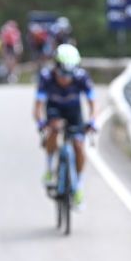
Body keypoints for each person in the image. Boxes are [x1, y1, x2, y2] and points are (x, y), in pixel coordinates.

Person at [33, 43, 98, 207]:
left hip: (73, 111)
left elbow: (93, 104)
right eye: (62, 74)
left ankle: (79, 185)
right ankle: (49, 169)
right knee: (54, 130)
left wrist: (92, 121)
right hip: (54, 109)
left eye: (69, 75)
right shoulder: (46, 77)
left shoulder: (81, 77)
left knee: (78, 144)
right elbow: (38, 106)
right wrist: (41, 123)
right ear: (56, 66)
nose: (65, 79)